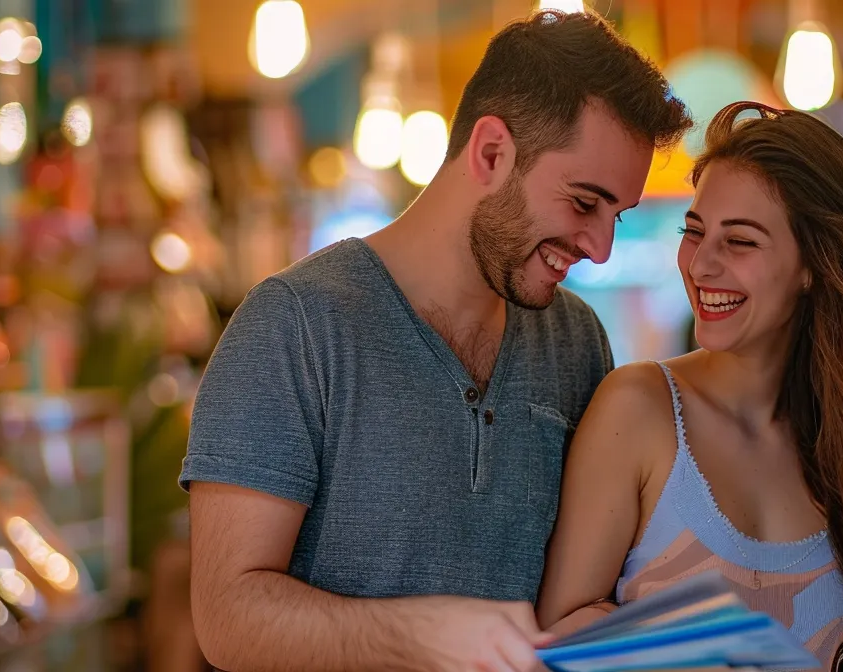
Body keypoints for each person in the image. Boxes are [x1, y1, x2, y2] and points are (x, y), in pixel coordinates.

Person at [180, 11, 691, 671]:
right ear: (490, 153)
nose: (599, 247)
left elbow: (581, 595)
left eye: (615, 216)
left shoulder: (576, 341)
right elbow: (227, 618)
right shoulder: (293, 326)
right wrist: (419, 635)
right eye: (583, 203)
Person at [535, 101, 843, 671]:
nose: (701, 265)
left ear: (815, 266)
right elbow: (560, 632)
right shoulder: (640, 407)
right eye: (695, 231)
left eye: (741, 241)